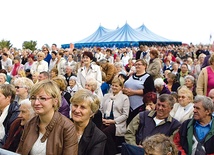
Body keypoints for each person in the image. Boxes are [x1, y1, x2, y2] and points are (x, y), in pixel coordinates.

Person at [16, 80, 78, 155]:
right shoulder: (30, 124)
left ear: (55, 101)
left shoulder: (67, 127)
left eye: (42, 98)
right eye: (33, 98)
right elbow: (20, 152)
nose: (36, 103)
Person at [70, 89, 107, 155]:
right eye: (75, 105)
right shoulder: (63, 127)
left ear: (92, 113)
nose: (77, 110)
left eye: (82, 107)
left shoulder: (98, 137)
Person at [100, 77, 130, 155]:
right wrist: (103, 119)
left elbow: (125, 114)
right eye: (112, 85)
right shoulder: (106, 96)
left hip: (117, 123)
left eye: (116, 86)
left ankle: (112, 152)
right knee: (98, 133)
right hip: (105, 120)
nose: (114, 87)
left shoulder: (125, 98)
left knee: (105, 132)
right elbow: (102, 109)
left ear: (121, 87)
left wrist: (113, 121)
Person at [123, 59, 155, 125]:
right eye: (136, 64)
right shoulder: (131, 75)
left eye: (139, 64)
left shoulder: (148, 77)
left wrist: (133, 92)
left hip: (140, 105)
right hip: (127, 104)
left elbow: (149, 91)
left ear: (145, 66)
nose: (137, 66)